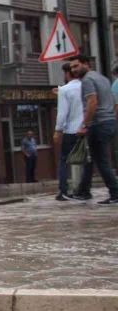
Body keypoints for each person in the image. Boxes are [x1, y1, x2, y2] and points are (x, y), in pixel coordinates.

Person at [64, 55, 118, 204]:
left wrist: (85, 125)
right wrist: (111, 118)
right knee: (91, 159)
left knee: (101, 161)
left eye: (76, 66)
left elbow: (92, 102)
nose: (73, 70)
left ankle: (115, 192)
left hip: (98, 124)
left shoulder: (87, 80)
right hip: (109, 122)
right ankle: (83, 191)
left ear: (87, 64)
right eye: (72, 67)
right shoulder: (103, 79)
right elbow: (114, 102)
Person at [53, 63, 83, 200]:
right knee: (85, 159)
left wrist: (58, 130)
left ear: (66, 74)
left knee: (64, 160)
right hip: (85, 128)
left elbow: (62, 112)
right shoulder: (85, 86)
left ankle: (63, 190)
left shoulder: (65, 90)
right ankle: (83, 189)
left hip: (71, 130)